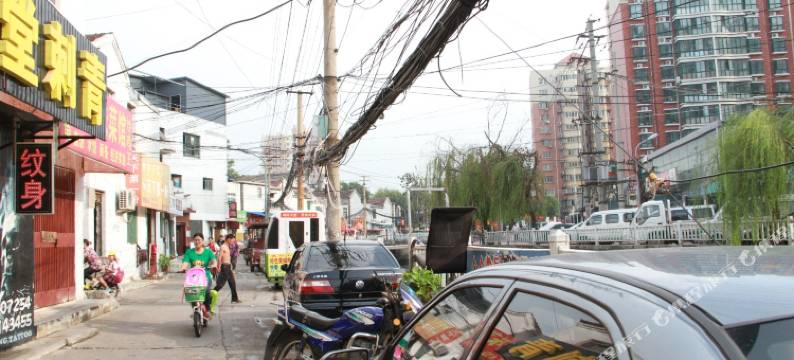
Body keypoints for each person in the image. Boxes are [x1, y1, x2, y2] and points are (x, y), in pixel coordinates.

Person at [181, 233, 219, 315]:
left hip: (206, 276)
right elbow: (185, 262)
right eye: (195, 240)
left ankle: (207, 308)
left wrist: (214, 265)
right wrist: (183, 268)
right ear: (193, 241)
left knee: (207, 290)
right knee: (190, 292)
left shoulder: (208, 252)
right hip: (193, 277)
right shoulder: (189, 252)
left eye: (199, 240)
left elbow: (214, 260)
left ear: (202, 241)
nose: (197, 241)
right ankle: (195, 308)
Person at [214, 234, 241, 303]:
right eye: (232, 240)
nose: (233, 242)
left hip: (228, 267)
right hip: (224, 267)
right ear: (228, 239)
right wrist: (218, 267)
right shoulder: (223, 247)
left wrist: (231, 266)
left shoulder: (227, 246)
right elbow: (219, 258)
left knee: (232, 283)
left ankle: (234, 299)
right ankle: (210, 296)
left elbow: (228, 258)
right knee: (220, 285)